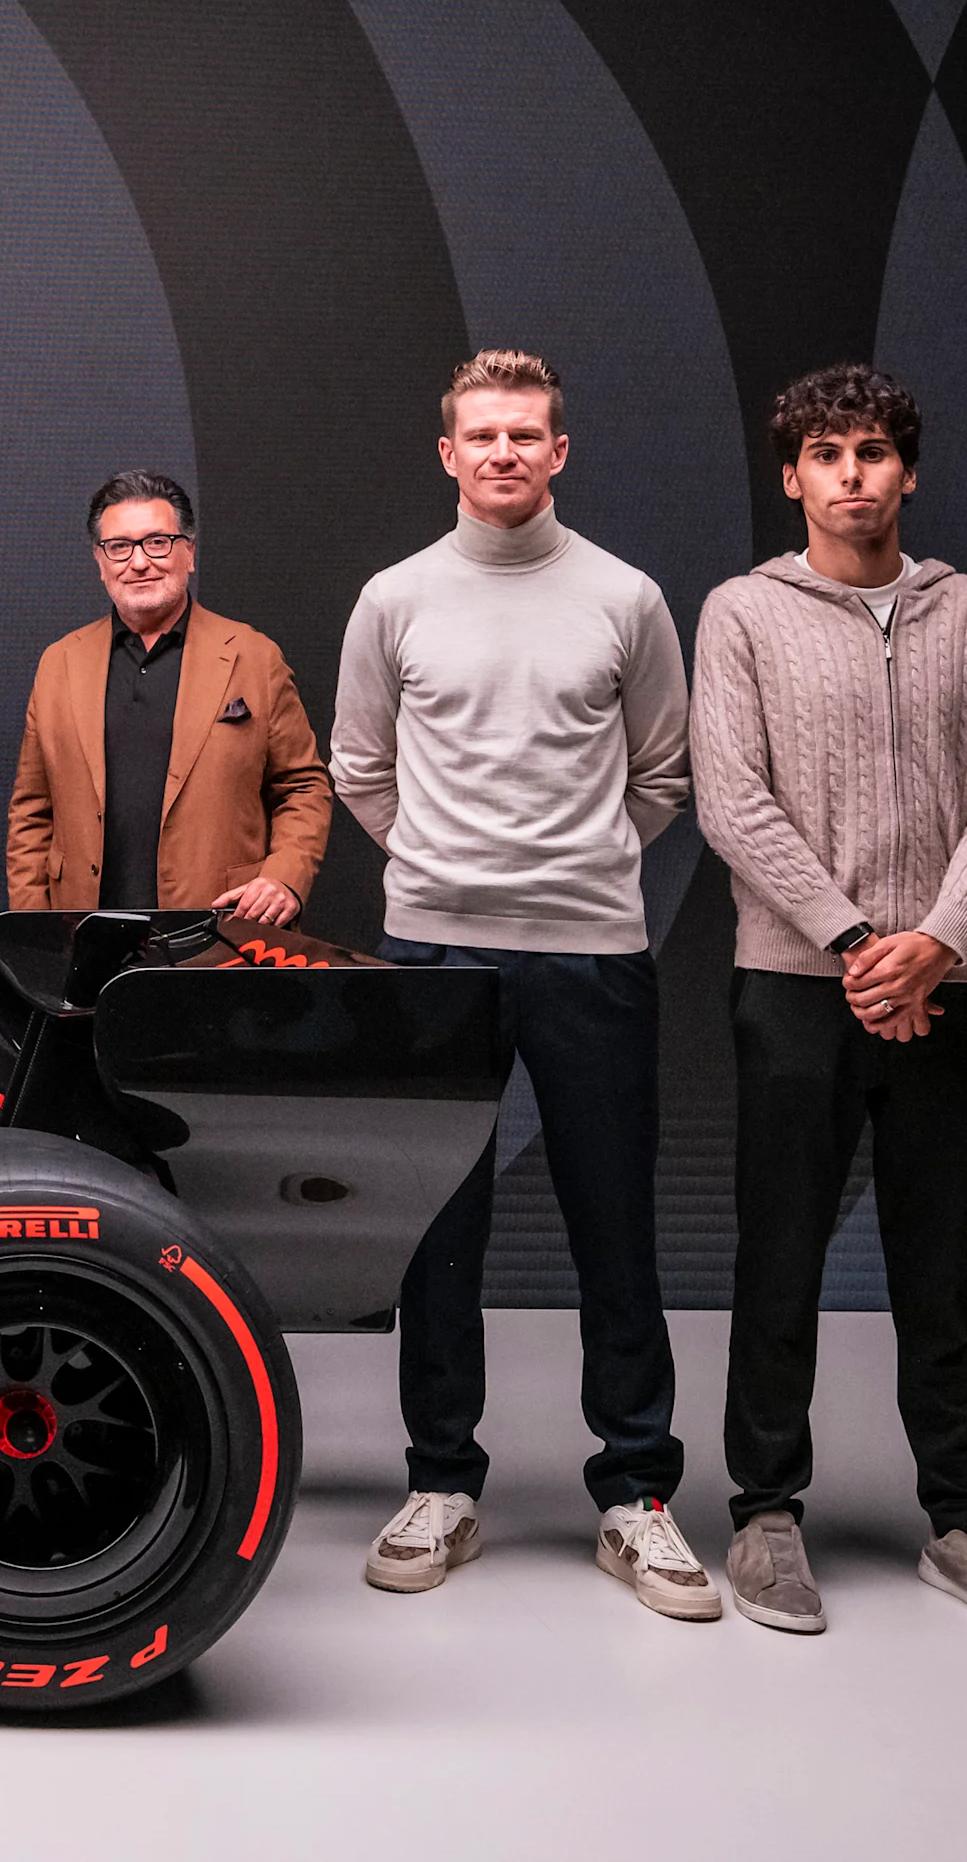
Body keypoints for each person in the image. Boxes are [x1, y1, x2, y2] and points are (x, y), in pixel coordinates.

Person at [332, 350, 710, 1620]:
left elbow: (662, 773)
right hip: (434, 947)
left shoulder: (624, 597)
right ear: (447, 454)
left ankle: (636, 1495)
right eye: (480, 435)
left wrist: (570, 866)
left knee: (613, 1219)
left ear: (559, 453)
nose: (501, 452)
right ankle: (440, 1481)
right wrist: (445, 870)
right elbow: (357, 765)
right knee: (440, 1228)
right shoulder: (394, 598)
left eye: (525, 434)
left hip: (590, 948)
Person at [689, 363, 967, 1638]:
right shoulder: (740, 614)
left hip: (950, 990)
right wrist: (860, 942)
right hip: (797, 984)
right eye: (826, 454)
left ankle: (957, 1523)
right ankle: (763, 1515)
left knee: (936, 1266)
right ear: (789, 476)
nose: (852, 474)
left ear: (907, 471)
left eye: (873, 452)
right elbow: (732, 800)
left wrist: (938, 944)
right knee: (778, 1251)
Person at [5, 470, 329, 921]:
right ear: (100, 563)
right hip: (82, 929)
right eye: (119, 547)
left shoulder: (254, 657)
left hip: (221, 929)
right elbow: (31, 814)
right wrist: (31, 928)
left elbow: (303, 787)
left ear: (189, 552)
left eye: (158, 542)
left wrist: (286, 877)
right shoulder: (59, 664)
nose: (139, 562)